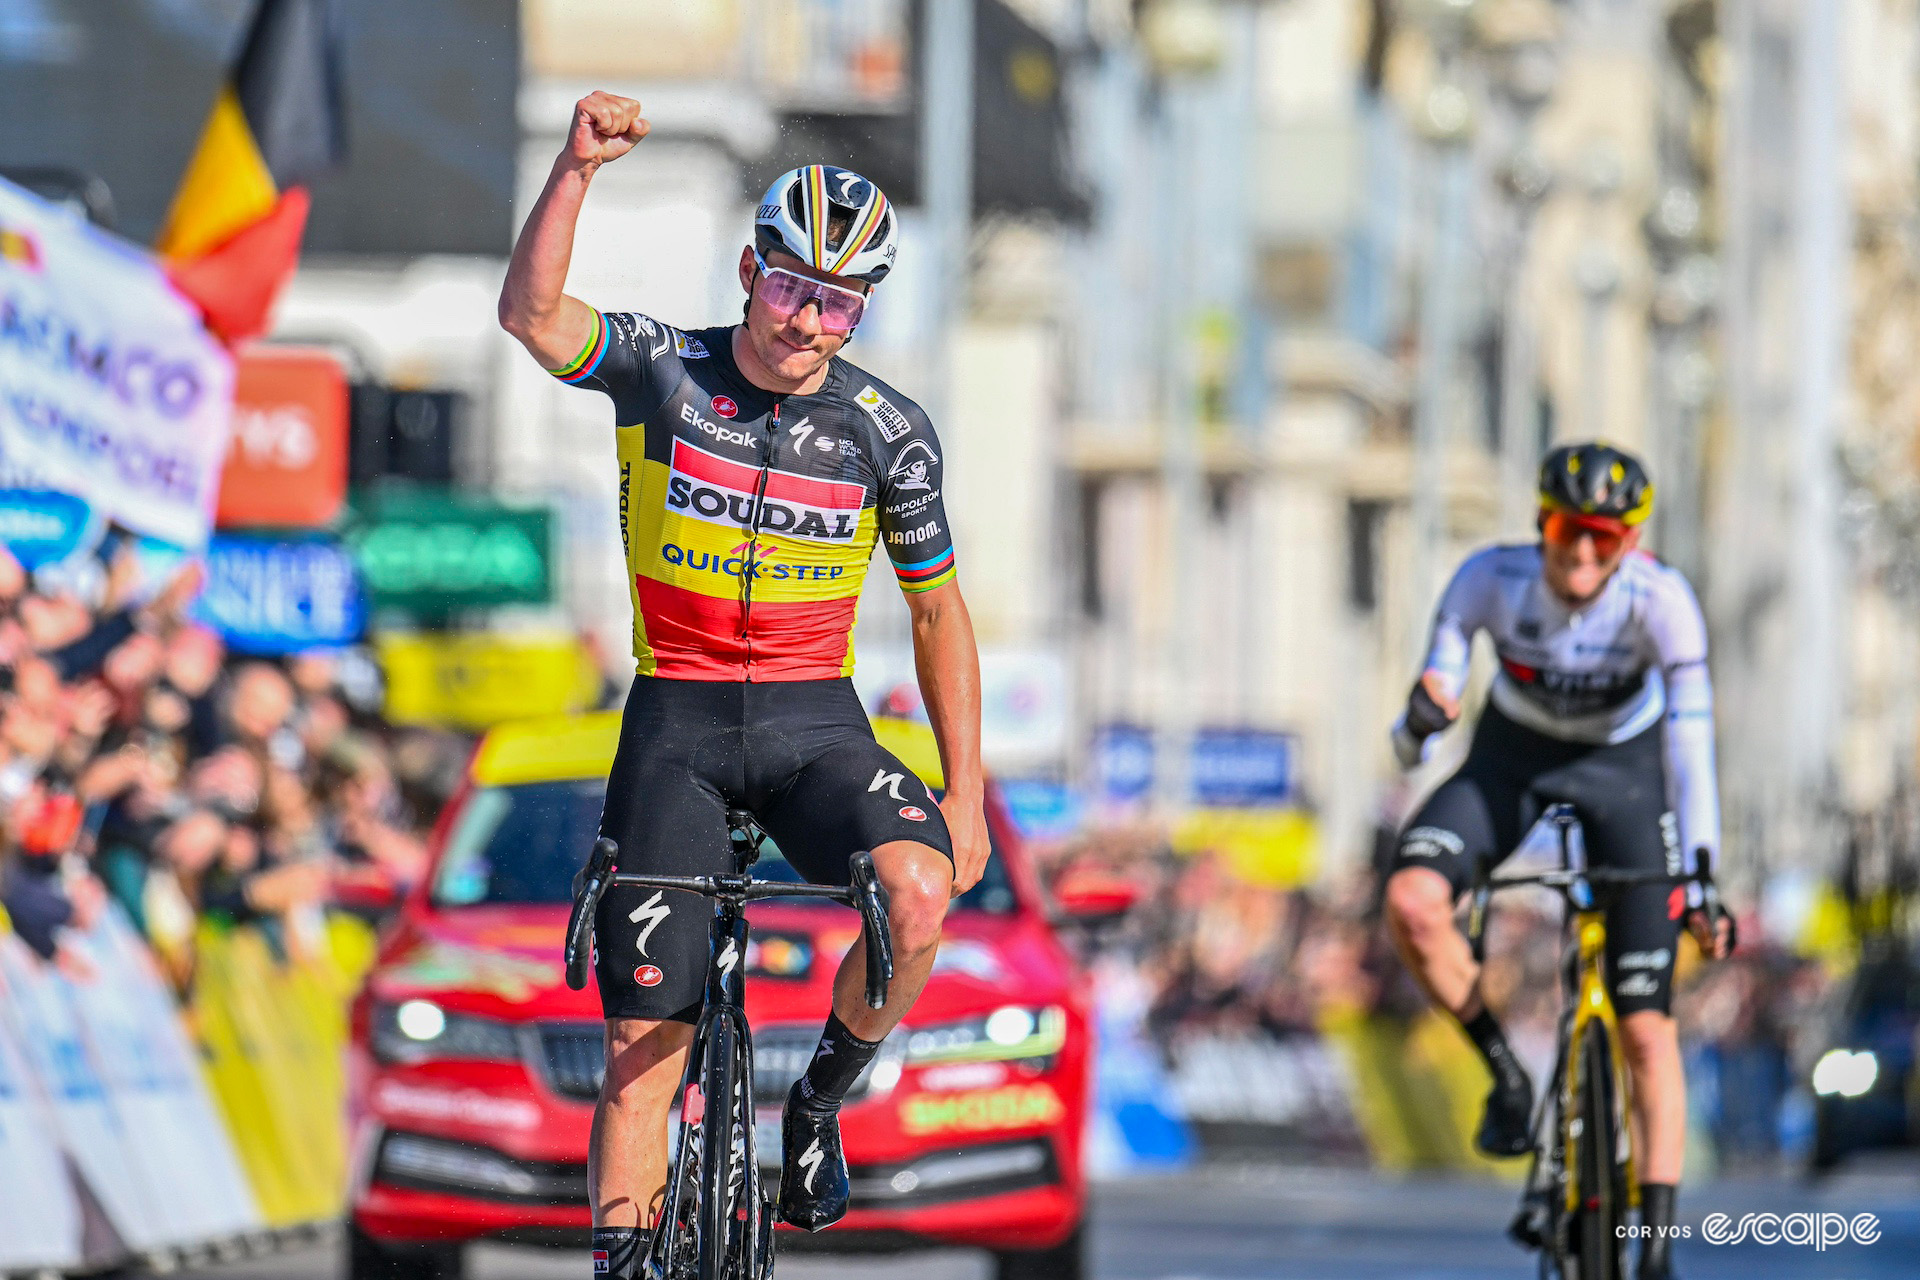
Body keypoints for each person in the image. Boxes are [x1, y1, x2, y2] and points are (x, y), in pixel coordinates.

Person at [497, 92, 988, 1278]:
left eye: (838, 299)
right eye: (788, 286)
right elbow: (533, 315)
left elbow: (936, 609)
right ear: (749, 269)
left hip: (817, 720)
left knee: (917, 894)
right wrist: (574, 169)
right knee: (638, 1040)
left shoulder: (890, 430)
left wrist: (966, 794)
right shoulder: (667, 370)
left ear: (863, 307)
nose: (807, 320)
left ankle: (816, 1104)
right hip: (680, 718)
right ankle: (623, 1260)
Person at [1381, 443, 1734, 1280]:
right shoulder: (1487, 580)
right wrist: (1422, 719)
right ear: (1543, 523)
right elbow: (1406, 746)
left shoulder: (1663, 602)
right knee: (1413, 900)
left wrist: (1705, 873)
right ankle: (1506, 1078)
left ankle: (1653, 1244)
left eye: (1605, 540)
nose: (1583, 554)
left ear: (1631, 543)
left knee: (1647, 1027)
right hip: (1512, 760)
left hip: (1627, 773)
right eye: (1571, 532)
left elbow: (1691, 747)